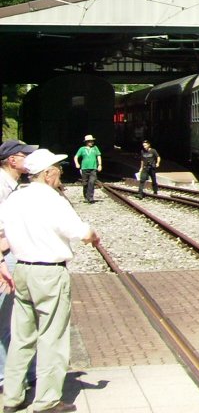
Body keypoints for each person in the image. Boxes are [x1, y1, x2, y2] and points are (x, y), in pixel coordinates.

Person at [0, 148, 99, 413]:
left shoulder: (15, 198)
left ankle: (11, 397)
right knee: (51, 336)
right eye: (57, 168)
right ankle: (46, 401)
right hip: (49, 272)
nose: (61, 173)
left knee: (21, 337)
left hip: (22, 269)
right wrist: (92, 235)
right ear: (46, 173)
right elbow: (79, 231)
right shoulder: (52, 199)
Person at [0, 140, 35, 390]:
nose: (29, 160)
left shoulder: (13, 185)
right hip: (3, 258)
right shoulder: (1, 186)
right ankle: (6, 377)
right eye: (26, 156)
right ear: (12, 160)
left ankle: (12, 374)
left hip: (10, 253)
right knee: (6, 318)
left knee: (11, 317)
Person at [72, 135, 101, 204]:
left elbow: (98, 156)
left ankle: (90, 198)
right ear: (87, 142)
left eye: (92, 141)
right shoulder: (82, 149)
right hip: (84, 168)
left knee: (92, 182)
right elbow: (76, 156)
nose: (92, 142)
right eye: (90, 141)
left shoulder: (95, 148)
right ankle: (86, 197)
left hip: (93, 168)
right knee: (85, 183)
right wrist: (77, 163)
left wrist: (100, 165)